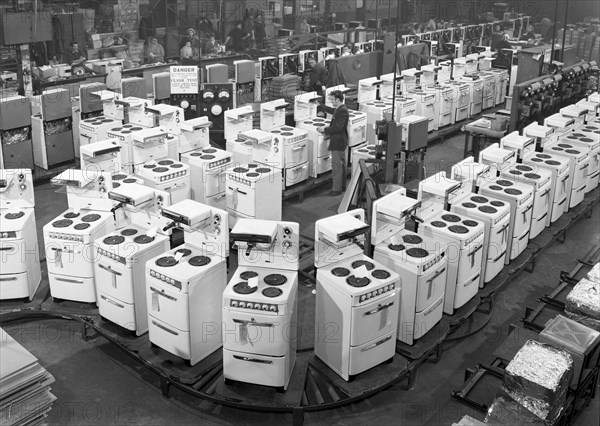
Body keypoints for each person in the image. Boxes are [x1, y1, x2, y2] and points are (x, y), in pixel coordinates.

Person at [317, 90, 348, 195]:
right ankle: (342, 185)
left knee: (336, 166)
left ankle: (336, 189)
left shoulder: (342, 111)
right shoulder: (340, 109)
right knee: (341, 165)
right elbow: (333, 111)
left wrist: (324, 130)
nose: (331, 101)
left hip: (338, 141)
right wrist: (321, 106)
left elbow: (338, 127)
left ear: (337, 100)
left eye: (332, 99)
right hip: (341, 140)